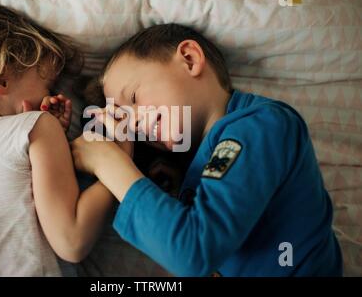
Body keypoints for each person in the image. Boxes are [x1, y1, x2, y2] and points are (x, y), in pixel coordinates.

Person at [71, 23, 343, 276]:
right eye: (126, 121)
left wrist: (109, 163)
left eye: (133, 98)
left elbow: (194, 251)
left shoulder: (261, 125)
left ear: (189, 59)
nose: (135, 123)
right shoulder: (197, 166)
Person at [0, 4, 115, 276]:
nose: (48, 97)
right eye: (48, 87)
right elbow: (72, 241)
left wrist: (56, 145)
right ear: (0, 80)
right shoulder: (38, 125)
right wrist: (119, 156)